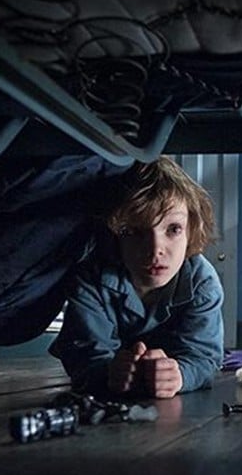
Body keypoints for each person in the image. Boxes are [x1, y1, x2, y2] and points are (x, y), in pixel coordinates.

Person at [48, 156, 224, 398]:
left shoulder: (201, 281)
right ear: (114, 234)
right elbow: (82, 355)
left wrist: (180, 375)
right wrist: (108, 372)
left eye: (173, 229)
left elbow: (204, 357)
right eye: (134, 232)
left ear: (191, 230)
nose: (155, 249)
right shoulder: (91, 279)